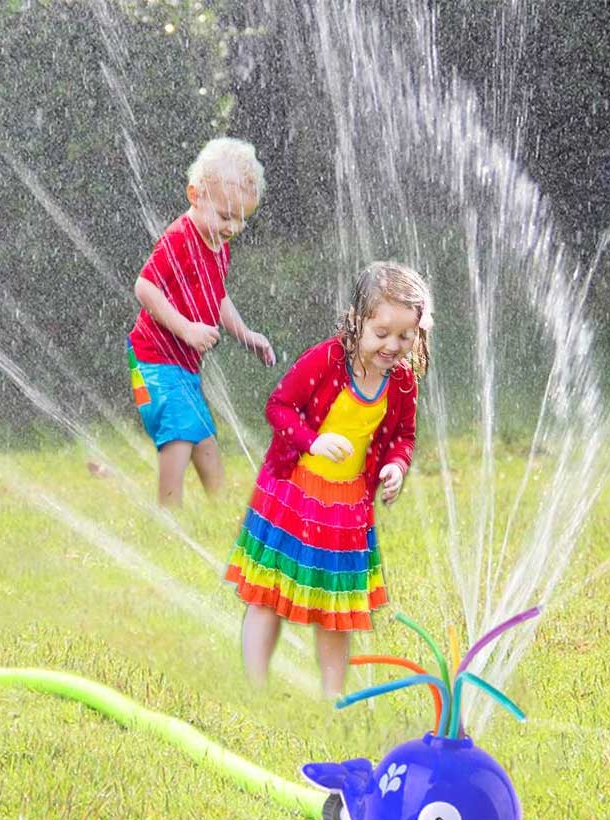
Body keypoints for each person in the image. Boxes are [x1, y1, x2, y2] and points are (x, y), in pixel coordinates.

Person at [225, 261, 433, 697]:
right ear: (357, 322)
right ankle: (253, 688)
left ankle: (333, 697)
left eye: (405, 336)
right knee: (268, 594)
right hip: (293, 491)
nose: (392, 346)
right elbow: (278, 407)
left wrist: (395, 466)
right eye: (382, 334)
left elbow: (403, 436)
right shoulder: (326, 360)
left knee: (336, 608)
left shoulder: (403, 382)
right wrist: (312, 442)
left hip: (346, 507)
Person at [115, 137, 275, 505]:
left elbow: (216, 297)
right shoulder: (180, 239)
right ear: (195, 195)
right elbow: (145, 287)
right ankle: (169, 514)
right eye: (224, 215)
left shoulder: (219, 245)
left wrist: (246, 335)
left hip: (181, 365)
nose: (232, 227)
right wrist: (186, 329)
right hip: (153, 359)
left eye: (240, 220)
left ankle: (221, 510)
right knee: (179, 436)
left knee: (203, 436)